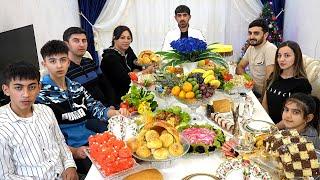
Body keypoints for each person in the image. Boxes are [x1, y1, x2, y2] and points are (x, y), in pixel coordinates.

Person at [36, 40, 130, 174]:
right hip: (70, 150)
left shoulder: (76, 87)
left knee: (125, 159)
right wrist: (73, 152)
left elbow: (95, 108)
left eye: (63, 60)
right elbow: (46, 137)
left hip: (92, 141)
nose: (59, 65)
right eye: (52, 61)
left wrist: (115, 113)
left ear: (68, 62)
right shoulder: (40, 94)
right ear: (44, 64)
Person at [0, 62, 78, 179]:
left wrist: (70, 166)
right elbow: (5, 176)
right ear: (6, 90)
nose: (26, 94)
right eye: (18, 88)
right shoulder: (2, 126)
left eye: (31, 87)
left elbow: (60, 142)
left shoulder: (46, 111)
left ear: (39, 88)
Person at [222, 93, 320, 157]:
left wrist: (238, 155)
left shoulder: (306, 143)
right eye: (286, 110)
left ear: (308, 118)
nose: (288, 115)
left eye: (296, 112)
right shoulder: (295, 126)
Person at [100, 25, 154, 105]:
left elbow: (136, 64)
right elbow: (125, 80)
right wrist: (146, 71)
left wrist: (134, 74)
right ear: (114, 38)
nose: (126, 41)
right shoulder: (110, 57)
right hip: (117, 98)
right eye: (122, 38)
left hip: (132, 89)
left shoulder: (127, 50)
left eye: (128, 38)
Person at [63, 27, 116, 107]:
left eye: (84, 41)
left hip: (107, 108)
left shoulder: (90, 62)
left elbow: (106, 85)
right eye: (76, 41)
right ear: (66, 44)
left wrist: (112, 105)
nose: (81, 44)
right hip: (88, 114)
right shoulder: (63, 70)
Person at [262, 41, 312, 125]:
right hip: (267, 123)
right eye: (279, 56)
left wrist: (273, 129)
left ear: (297, 57)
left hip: (285, 129)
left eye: (287, 55)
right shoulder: (273, 76)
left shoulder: (302, 84)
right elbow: (265, 103)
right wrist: (265, 122)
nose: (281, 59)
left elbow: (296, 116)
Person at [236, 19, 277, 98]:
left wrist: (262, 100)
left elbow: (269, 79)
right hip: (252, 92)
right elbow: (240, 67)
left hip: (264, 95)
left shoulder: (270, 49)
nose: (251, 37)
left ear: (265, 35)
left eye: (256, 33)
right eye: (250, 33)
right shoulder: (251, 47)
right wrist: (249, 81)